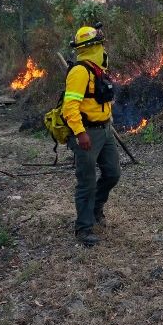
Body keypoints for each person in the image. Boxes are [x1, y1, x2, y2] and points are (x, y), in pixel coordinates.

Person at [62, 25, 120, 247]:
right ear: (91, 47)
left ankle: (96, 207)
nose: (103, 48)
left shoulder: (97, 70)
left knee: (113, 173)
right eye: (99, 44)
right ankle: (84, 228)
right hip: (86, 134)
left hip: (105, 131)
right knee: (86, 182)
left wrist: (108, 120)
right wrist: (80, 133)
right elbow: (70, 107)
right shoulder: (79, 71)